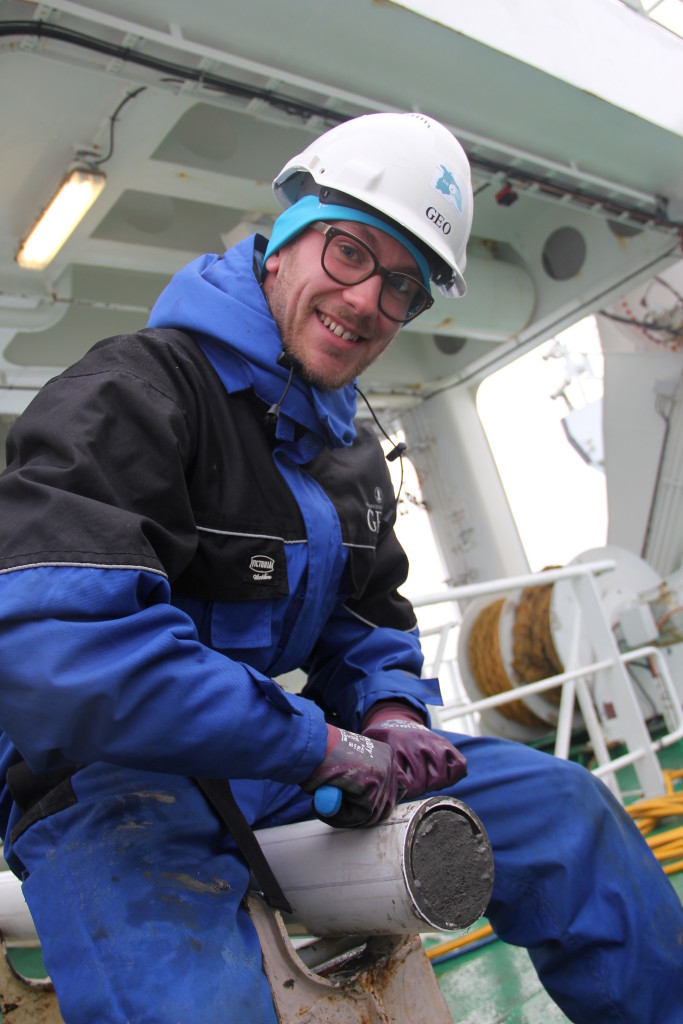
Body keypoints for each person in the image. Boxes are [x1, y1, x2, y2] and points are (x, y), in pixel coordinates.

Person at [0, 111, 680, 1024]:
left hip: (263, 761)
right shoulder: (135, 391)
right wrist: (320, 744)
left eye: (401, 286)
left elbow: (368, 622)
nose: (366, 301)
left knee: (566, 813)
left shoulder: (350, 454)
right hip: (101, 781)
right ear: (280, 244)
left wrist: (390, 714)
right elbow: (67, 656)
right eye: (350, 252)